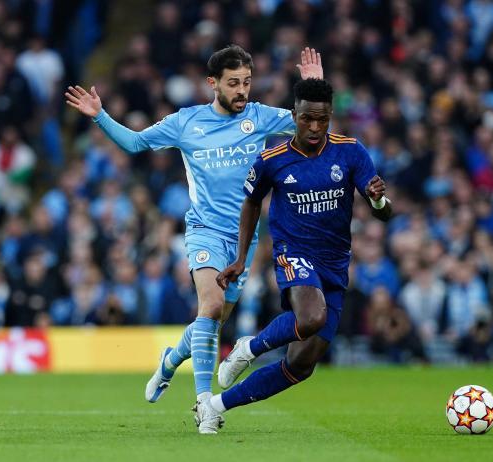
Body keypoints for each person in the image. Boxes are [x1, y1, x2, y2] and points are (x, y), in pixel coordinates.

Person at [65, 45, 323, 408]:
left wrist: (313, 87)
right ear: (212, 83)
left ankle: (170, 360)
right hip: (204, 230)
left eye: (247, 82)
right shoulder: (186, 122)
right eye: (233, 83)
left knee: (212, 322)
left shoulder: (260, 117)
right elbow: (137, 143)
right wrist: (100, 116)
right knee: (212, 305)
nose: (242, 91)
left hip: (244, 241)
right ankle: (205, 402)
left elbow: (309, 122)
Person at [207, 78, 392, 434]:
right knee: (311, 318)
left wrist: (379, 199)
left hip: (335, 263)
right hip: (294, 253)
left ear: (330, 117)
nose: (314, 127)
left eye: (322, 119)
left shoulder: (350, 151)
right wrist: (242, 258)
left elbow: (383, 211)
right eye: (307, 118)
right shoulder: (272, 160)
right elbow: (250, 202)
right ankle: (249, 348)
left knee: (301, 365)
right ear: (294, 115)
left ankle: (215, 406)